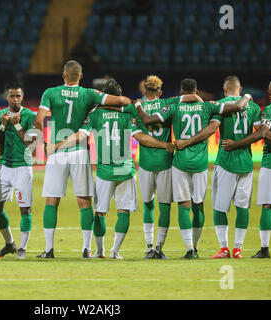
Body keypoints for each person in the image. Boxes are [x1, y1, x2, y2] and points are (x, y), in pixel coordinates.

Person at [175, 75, 271, 259]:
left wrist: (190, 142)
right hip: (246, 163)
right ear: (240, 89)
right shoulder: (254, 107)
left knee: (219, 208)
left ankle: (224, 248)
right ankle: (238, 249)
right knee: (242, 208)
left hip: (225, 161)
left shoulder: (221, 105)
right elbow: (261, 134)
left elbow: (213, 127)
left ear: (225, 89)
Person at [55, 79, 175, 259]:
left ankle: (99, 251)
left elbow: (81, 135)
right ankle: (115, 251)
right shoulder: (128, 114)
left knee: (100, 213)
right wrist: (163, 145)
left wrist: (58, 145)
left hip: (104, 172)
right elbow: (141, 137)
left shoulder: (95, 114)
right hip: (125, 171)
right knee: (123, 212)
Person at [135, 78, 251, 258]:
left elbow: (149, 119)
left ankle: (188, 248)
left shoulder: (174, 106)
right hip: (200, 163)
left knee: (183, 206)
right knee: (198, 206)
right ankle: (195, 248)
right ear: (196, 92)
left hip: (180, 161)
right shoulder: (207, 106)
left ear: (181, 92)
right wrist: (247, 96)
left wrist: (138, 105)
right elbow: (236, 107)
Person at [34, 60, 132, 258]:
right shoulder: (89, 93)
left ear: (63, 75)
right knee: (85, 201)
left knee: (52, 201)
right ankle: (86, 249)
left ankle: (49, 250)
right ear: (81, 76)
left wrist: (42, 144)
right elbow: (122, 101)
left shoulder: (50, 93)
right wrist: (121, 101)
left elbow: (39, 119)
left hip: (57, 152)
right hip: (79, 150)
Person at [124, 75, 201, 259]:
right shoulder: (169, 102)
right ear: (160, 92)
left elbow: (138, 135)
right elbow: (192, 97)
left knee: (148, 205)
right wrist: (198, 98)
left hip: (146, 164)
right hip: (166, 162)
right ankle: (159, 247)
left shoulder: (136, 107)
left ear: (144, 91)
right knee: (165, 207)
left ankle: (149, 247)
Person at [222, 78, 271, 258]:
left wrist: (236, 144)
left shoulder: (270, 110)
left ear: (270, 94)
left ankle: (265, 249)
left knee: (268, 206)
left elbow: (264, 133)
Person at [0, 83, 37, 259]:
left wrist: (18, 126)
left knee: (25, 209)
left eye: (18, 96)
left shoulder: (29, 115)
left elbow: (31, 143)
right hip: (3, 166)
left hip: (22, 167)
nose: (15, 99)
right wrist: (3, 125)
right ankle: (10, 243)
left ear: (22, 97)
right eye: (12, 96)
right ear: (7, 97)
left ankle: (22, 248)